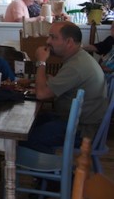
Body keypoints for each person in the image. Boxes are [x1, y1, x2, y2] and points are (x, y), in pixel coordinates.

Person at [22, 22, 108, 154]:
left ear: (69, 42)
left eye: (53, 37)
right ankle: (48, 169)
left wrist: (41, 62)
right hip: (74, 120)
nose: (48, 41)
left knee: (26, 136)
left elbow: (41, 94)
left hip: (82, 130)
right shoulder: (78, 58)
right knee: (28, 123)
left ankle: (54, 172)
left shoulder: (76, 66)